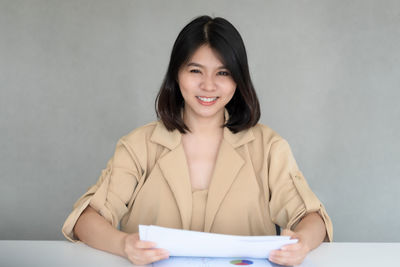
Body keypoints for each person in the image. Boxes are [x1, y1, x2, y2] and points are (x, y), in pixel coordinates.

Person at [62, 15, 333, 266]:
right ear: (176, 74)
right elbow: (85, 220)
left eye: (223, 73)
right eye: (195, 71)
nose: (208, 85)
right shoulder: (139, 145)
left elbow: (312, 218)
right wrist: (124, 244)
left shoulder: (269, 147)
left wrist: (302, 243)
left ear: (238, 80)